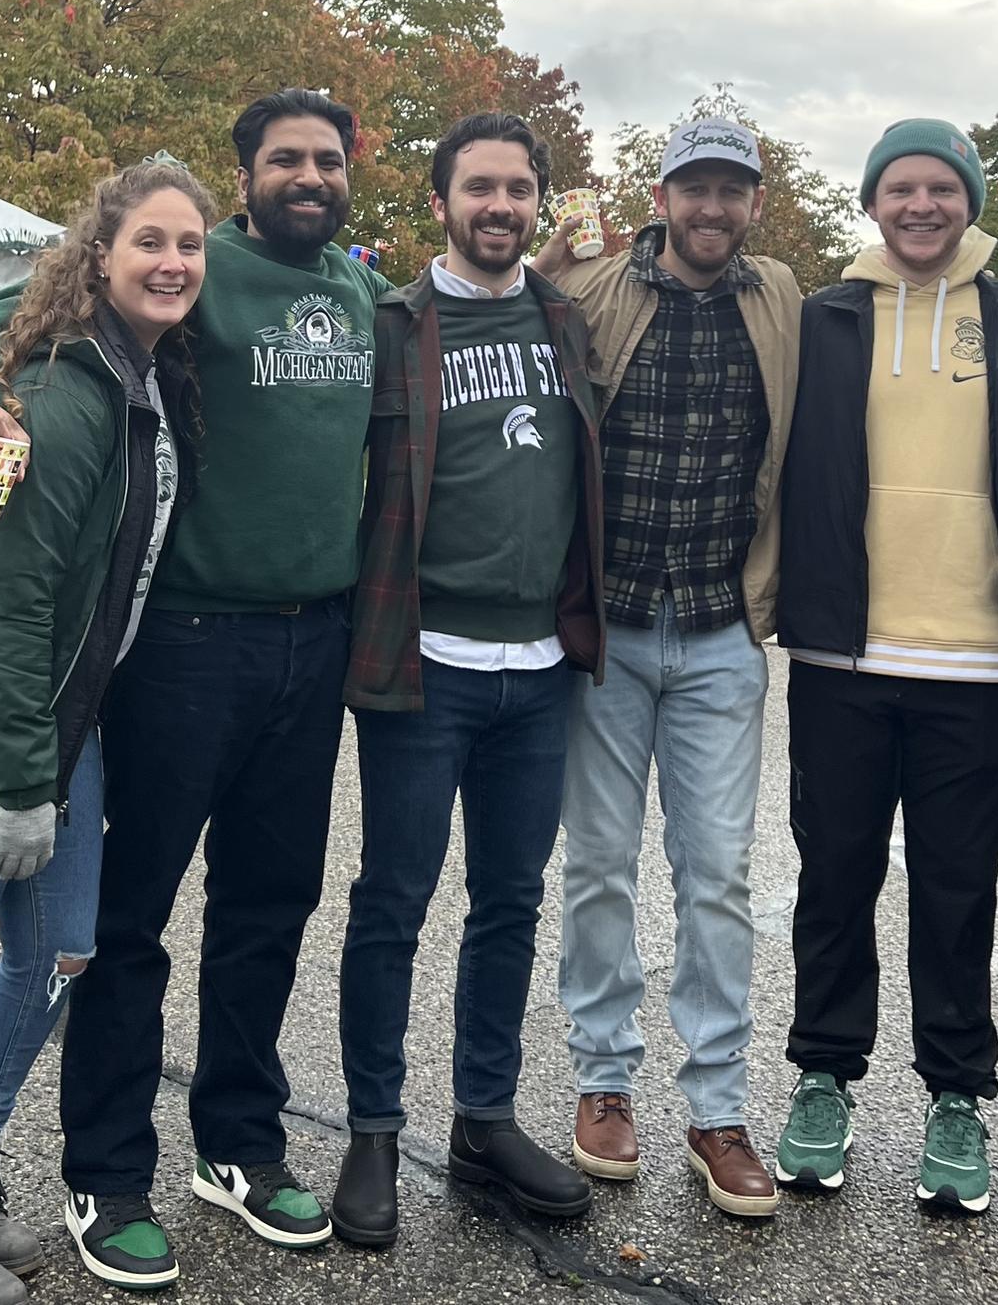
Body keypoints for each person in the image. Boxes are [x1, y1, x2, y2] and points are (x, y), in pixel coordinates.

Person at [0, 90, 389, 1290]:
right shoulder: (195, 265)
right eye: (285, 159)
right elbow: (2, 325)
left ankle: (236, 1146)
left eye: (327, 159)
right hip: (188, 643)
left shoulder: (356, 289)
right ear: (245, 176)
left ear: (349, 176)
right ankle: (107, 1171)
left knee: (268, 907)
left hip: (314, 644)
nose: (309, 174)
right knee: (131, 921)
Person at [0, 162, 213, 1304]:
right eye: (149, 242)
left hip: (55, 714)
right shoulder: (52, 396)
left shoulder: (147, 381)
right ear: (98, 258)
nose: (172, 263)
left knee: (60, 946)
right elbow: (8, 601)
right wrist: (24, 782)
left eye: (189, 245)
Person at [330, 113, 605, 1247]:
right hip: (422, 666)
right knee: (391, 902)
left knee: (511, 905)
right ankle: (372, 1128)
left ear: (539, 202)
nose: (499, 205)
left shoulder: (565, 321)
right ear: (440, 199)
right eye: (477, 187)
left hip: (540, 672)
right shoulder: (392, 324)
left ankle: (483, 1119)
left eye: (518, 188)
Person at [773, 121, 998, 1215]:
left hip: (978, 661)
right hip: (843, 648)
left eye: (940, 186)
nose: (921, 204)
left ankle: (955, 1094)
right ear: (872, 201)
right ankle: (821, 1077)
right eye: (900, 187)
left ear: (968, 198)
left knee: (955, 888)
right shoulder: (823, 319)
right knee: (833, 876)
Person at [537, 118, 800, 1219]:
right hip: (610, 630)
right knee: (597, 863)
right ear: (661, 194)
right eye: (693, 186)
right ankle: (603, 1082)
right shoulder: (595, 286)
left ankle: (716, 1105)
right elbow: (499, 327)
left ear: (750, 203)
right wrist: (550, 262)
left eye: (730, 190)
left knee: (716, 876)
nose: (711, 206)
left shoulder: (780, 296)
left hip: (716, 631)